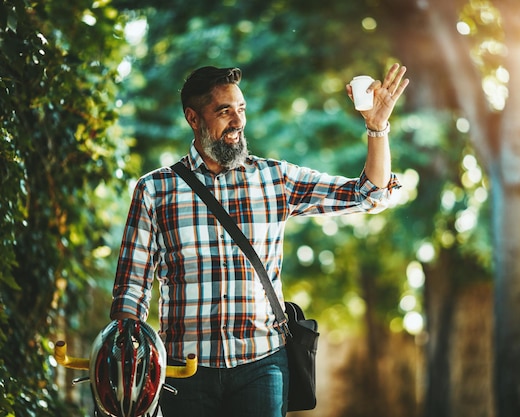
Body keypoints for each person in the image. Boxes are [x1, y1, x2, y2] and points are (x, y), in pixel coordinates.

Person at [110, 63, 409, 417]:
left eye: (241, 109)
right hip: (184, 371)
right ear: (193, 118)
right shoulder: (155, 190)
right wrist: (125, 356)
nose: (238, 121)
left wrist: (377, 129)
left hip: (262, 365)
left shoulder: (274, 178)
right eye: (224, 111)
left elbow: (369, 195)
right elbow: (131, 288)